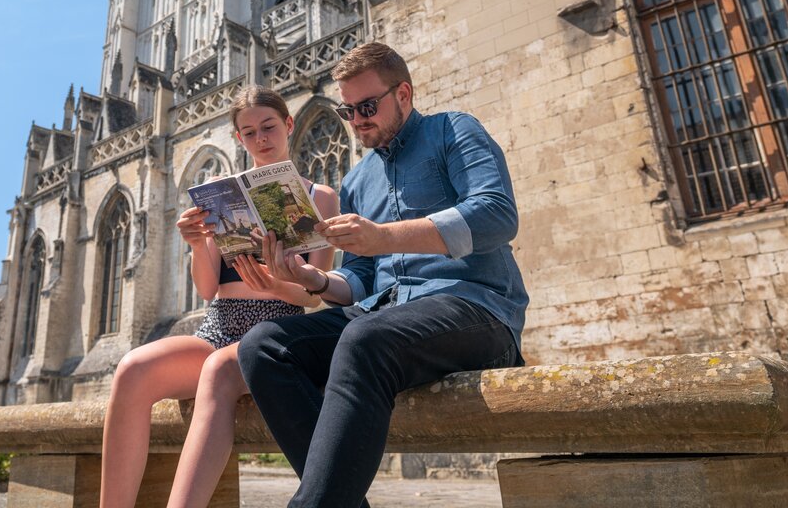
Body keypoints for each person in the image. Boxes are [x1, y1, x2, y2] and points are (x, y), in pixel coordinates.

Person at [238, 41, 528, 508]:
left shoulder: (453, 130)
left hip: (477, 309)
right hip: (385, 316)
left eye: (367, 107)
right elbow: (360, 280)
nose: (356, 121)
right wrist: (312, 280)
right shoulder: (356, 181)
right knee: (263, 346)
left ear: (404, 95)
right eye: (347, 111)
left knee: (364, 338)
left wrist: (384, 237)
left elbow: (497, 214)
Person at [99, 86, 338, 508]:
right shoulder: (221, 193)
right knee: (132, 369)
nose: (261, 138)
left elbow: (314, 295)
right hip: (219, 326)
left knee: (217, 370)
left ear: (288, 125)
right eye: (249, 132)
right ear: (239, 138)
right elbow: (207, 289)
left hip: (277, 331)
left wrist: (274, 285)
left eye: (268, 127)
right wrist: (196, 243)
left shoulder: (320, 196)